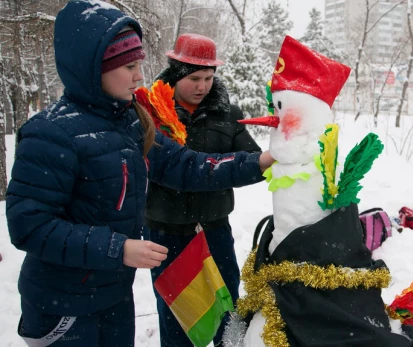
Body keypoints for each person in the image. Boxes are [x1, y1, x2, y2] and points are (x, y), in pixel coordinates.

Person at [5, 1, 273, 346]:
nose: (138, 76)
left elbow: (183, 164)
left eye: (139, 65)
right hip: (65, 305)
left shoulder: (130, 120)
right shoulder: (50, 132)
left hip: (114, 293)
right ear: (91, 69)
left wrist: (260, 161)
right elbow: (30, 226)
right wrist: (119, 249)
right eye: (129, 66)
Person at [135, 33, 261, 347]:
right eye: (194, 78)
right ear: (176, 75)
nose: (202, 86)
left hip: (215, 229)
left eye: (208, 77)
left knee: (226, 309)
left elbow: (254, 159)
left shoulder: (228, 113)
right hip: (167, 234)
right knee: (176, 315)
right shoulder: (150, 112)